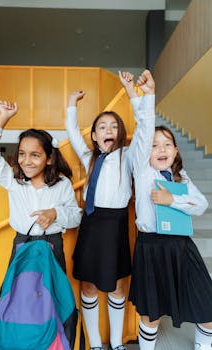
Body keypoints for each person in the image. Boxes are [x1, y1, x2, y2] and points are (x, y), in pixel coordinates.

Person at [128, 69, 212, 350]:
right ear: (145, 152)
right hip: (151, 247)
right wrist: (148, 96)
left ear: (176, 151)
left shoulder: (180, 177)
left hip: (182, 247)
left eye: (167, 145)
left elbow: (201, 204)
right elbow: (143, 131)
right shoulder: (142, 171)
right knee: (151, 315)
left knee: (207, 307)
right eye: (154, 146)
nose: (161, 149)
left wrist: (171, 201)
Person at [66, 71, 145, 350]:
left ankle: (115, 342)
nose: (108, 130)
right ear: (95, 136)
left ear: (120, 133)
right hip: (90, 223)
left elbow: (146, 126)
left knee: (116, 286)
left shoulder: (128, 155)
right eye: (102, 127)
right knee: (87, 285)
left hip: (115, 225)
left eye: (113, 126)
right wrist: (72, 103)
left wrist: (132, 92)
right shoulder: (89, 157)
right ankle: (96, 344)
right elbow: (72, 131)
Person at [0, 100, 82, 273]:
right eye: (22, 154)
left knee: (50, 297)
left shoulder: (62, 184)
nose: (26, 161)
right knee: (20, 297)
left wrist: (56, 213)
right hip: (22, 245)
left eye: (35, 155)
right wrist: (3, 117)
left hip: (52, 246)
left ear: (49, 159)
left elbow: (76, 217)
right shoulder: (13, 181)